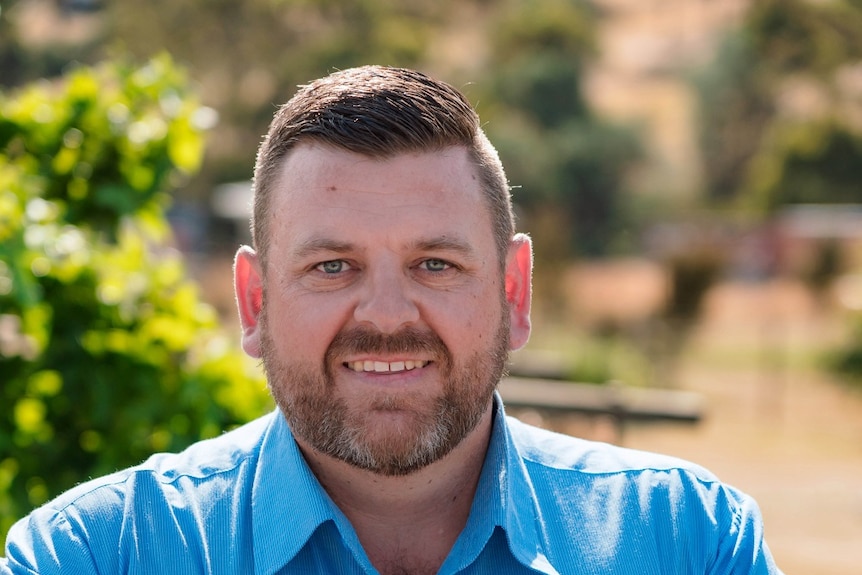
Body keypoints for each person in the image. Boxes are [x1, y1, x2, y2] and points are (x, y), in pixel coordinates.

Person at [1, 65, 783, 575]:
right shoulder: (94, 555)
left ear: (515, 292)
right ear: (254, 302)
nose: (384, 316)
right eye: (331, 266)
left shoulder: (686, 540)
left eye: (435, 264)